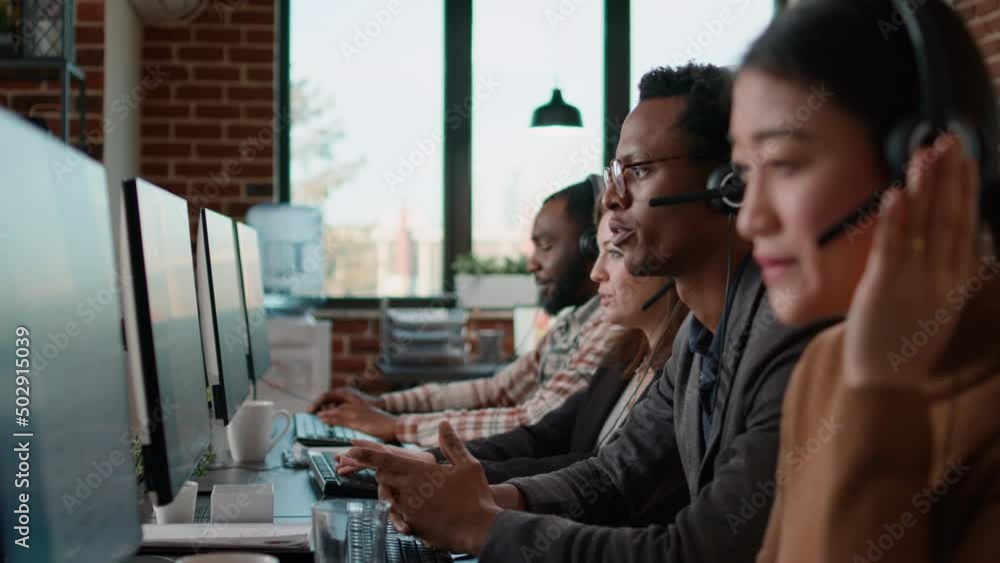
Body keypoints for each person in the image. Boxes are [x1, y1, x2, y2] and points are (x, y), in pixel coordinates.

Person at [342, 63, 837, 562]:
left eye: (639, 171)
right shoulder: (697, 337)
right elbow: (613, 476)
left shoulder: (787, 336)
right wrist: (484, 501)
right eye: (615, 174)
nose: (615, 200)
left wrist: (484, 528)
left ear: (727, 182)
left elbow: (698, 552)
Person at [729, 1, 1000, 562]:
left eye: (783, 164)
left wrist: (882, 392)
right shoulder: (825, 365)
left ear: (922, 158)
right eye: (742, 172)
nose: (749, 219)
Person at [337, 210, 690, 483]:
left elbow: (597, 472)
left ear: (669, 261)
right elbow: (540, 435)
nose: (596, 272)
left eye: (613, 252)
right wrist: (431, 458)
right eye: (598, 253)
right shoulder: (624, 354)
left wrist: (450, 474)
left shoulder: (680, 372)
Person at [309, 179, 625, 446]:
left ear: (589, 247)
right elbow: (495, 391)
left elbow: (533, 420)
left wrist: (395, 426)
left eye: (545, 246)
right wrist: (382, 404)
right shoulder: (572, 323)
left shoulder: (609, 326)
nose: (532, 264)